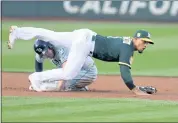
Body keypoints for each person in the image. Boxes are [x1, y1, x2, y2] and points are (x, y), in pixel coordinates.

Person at [8, 26, 157, 95]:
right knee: (68, 74)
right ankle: (36, 77)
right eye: (144, 41)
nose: (145, 44)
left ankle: (18, 31)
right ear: (136, 39)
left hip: (84, 34)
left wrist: (136, 87)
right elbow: (124, 71)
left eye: (147, 43)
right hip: (85, 44)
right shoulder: (128, 47)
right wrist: (135, 89)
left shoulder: (127, 44)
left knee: (50, 35)